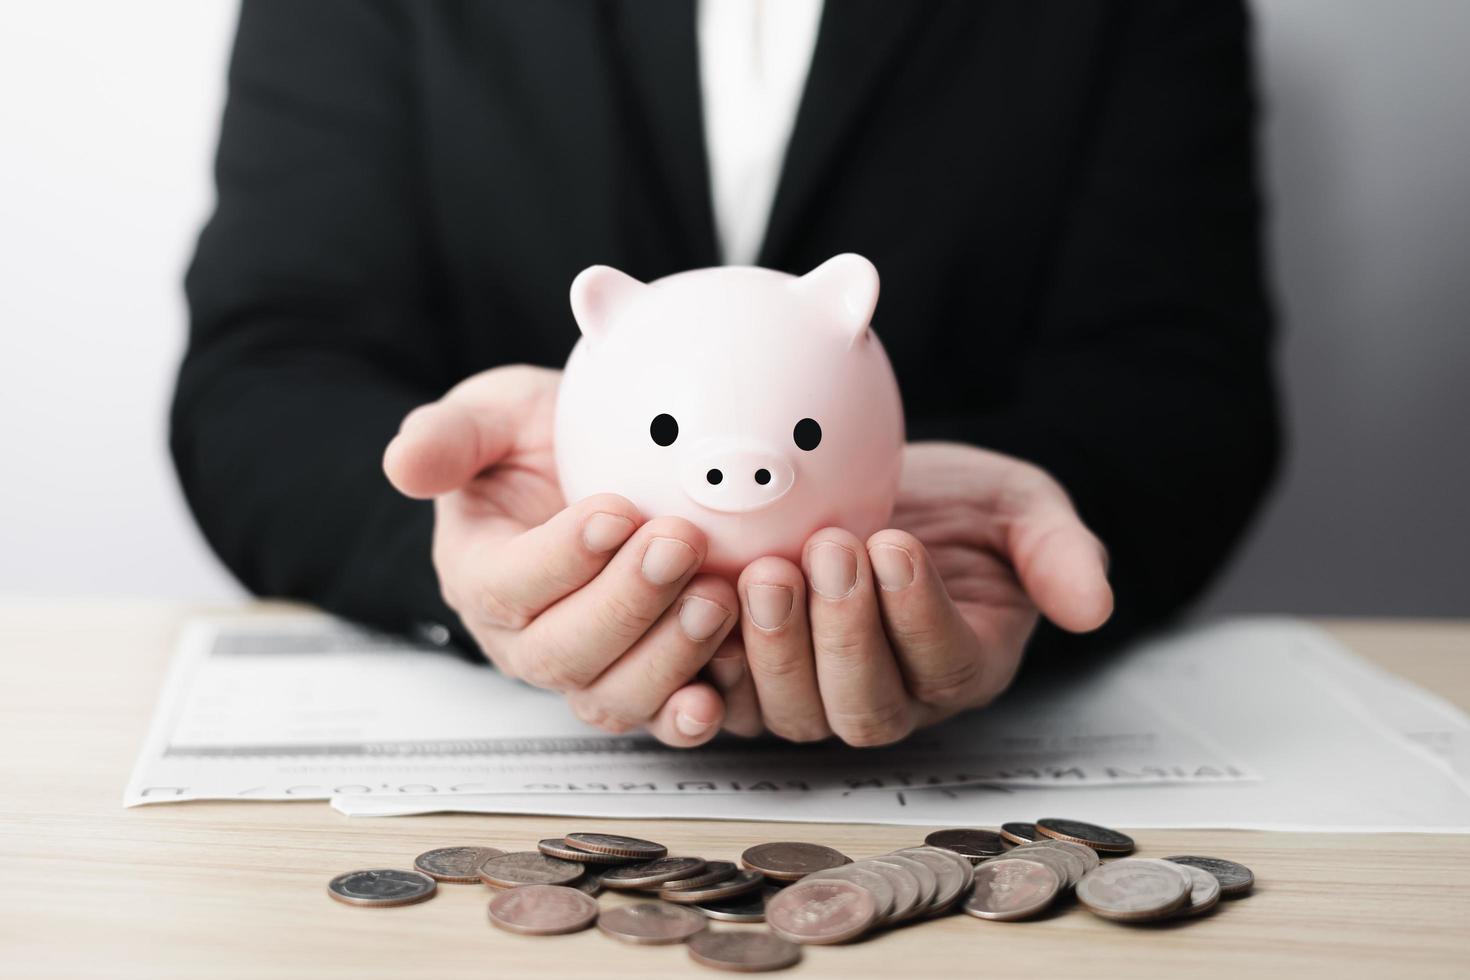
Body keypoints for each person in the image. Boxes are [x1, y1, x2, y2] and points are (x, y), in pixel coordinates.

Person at [172, 1, 1279, 750]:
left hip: (968, 730)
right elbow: (264, 372)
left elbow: (1183, 381)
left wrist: (1014, 538)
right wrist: (454, 542)